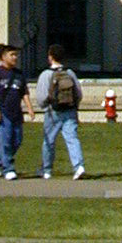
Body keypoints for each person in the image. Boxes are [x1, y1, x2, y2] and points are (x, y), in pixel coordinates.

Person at [36, 43, 86, 180]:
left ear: (50, 57)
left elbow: (41, 97)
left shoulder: (46, 74)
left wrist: (45, 107)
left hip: (53, 112)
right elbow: (78, 94)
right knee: (72, 139)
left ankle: (46, 170)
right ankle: (78, 166)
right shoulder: (70, 73)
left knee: (49, 141)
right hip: (69, 110)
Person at [0, 43, 34, 180]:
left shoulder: (18, 74)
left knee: (17, 140)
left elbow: (24, 92)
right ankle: (8, 169)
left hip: (16, 113)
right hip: (3, 111)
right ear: (4, 56)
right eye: (12, 55)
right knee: (5, 140)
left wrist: (29, 107)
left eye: (16, 55)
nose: (14, 58)